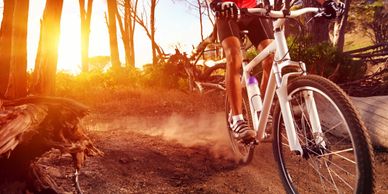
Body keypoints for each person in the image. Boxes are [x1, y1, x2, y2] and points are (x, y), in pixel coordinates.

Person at [209, 0, 345, 142]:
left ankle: (261, 112)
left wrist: (328, 2)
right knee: (234, 57)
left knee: (271, 58)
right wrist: (218, 3)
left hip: (254, 11)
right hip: (227, 12)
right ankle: (236, 118)